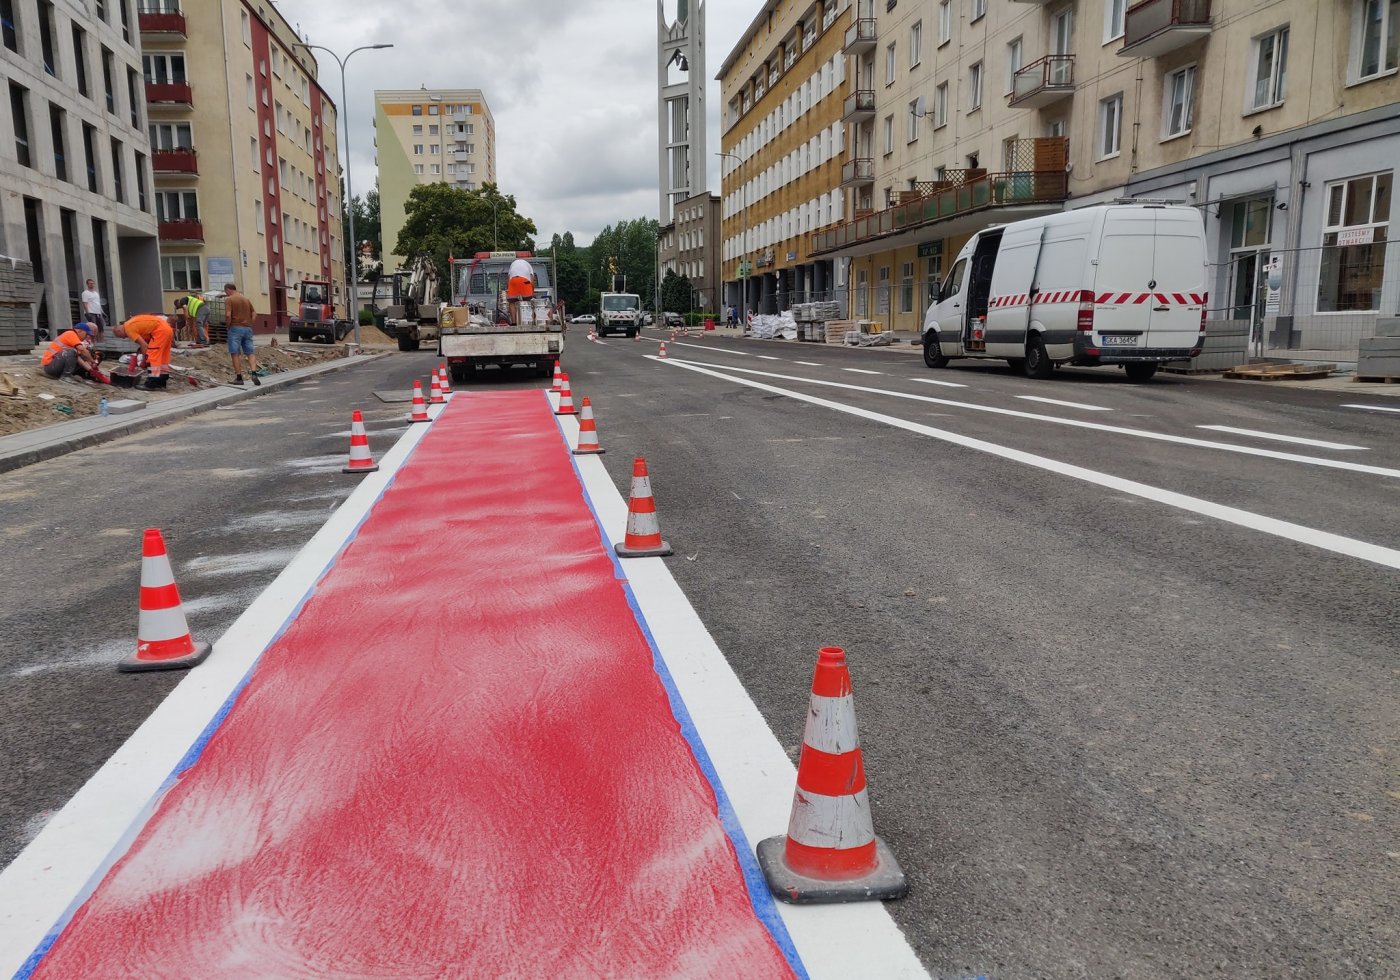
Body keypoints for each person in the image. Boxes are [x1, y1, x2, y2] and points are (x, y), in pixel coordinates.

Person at [115, 314, 175, 389]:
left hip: (160, 331)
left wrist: (144, 360)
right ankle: (161, 381)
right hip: (167, 329)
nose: (124, 338)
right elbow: (146, 341)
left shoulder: (128, 328)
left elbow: (144, 345)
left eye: (121, 336)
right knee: (162, 357)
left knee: (152, 356)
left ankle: (151, 384)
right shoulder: (132, 323)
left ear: (119, 330)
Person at [223, 282, 260, 386]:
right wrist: (250, 323)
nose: (226, 294)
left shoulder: (229, 299)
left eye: (226, 291)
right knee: (250, 352)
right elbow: (254, 314)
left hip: (235, 328)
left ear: (228, 289)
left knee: (235, 353)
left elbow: (228, 315)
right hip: (247, 328)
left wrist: (228, 325)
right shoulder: (246, 299)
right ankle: (254, 374)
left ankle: (239, 378)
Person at [506, 257, 536, 325]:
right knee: (528, 301)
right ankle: (528, 321)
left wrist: (508, 290)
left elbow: (508, 279)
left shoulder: (512, 264)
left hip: (513, 281)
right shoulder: (528, 265)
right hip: (525, 281)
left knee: (512, 302)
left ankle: (514, 323)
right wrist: (532, 292)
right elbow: (532, 280)